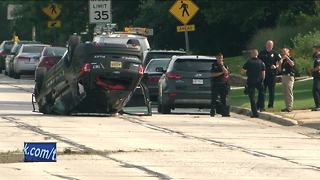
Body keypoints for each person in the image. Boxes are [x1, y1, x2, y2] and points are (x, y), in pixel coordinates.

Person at [242, 49, 266, 118]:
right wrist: (262, 80)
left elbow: (243, 71)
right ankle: (261, 106)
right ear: (257, 54)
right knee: (261, 93)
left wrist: (247, 73)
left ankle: (255, 113)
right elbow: (263, 73)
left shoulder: (249, 62)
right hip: (259, 81)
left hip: (250, 81)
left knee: (252, 97)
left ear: (252, 54)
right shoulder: (261, 62)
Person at [258, 40, 281, 109]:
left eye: (270, 45)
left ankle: (270, 105)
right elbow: (258, 61)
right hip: (263, 75)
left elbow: (280, 61)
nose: (269, 46)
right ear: (266, 45)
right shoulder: (262, 53)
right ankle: (261, 105)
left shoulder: (275, 53)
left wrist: (276, 66)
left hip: (272, 75)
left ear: (272, 46)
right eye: (268, 45)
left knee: (271, 91)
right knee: (262, 91)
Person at [279, 48, 295, 112]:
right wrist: (280, 62)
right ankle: (287, 106)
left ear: (288, 52)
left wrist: (287, 58)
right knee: (285, 92)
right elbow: (280, 70)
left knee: (289, 92)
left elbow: (292, 64)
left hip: (289, 76)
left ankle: (290, 107)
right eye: (282, 52)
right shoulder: (283, 60)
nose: (283, 53)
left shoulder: (291, 58)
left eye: (285, 52)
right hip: (284, 76)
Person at [312, 46, 320, 111]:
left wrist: (312, 70)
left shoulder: (318, 56)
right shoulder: (315, 57)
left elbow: (318, 67)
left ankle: (318, 106)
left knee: (315, 90)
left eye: (314, 49)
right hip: (316, 75)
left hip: (318, 75)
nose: (313, 50)